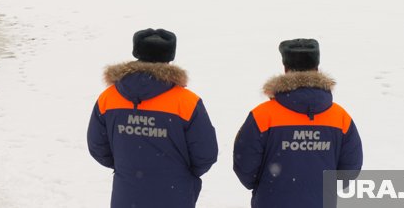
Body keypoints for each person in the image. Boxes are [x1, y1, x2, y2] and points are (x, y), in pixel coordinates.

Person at [87, 28, 218, 208]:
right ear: (170, 57)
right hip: (174, 196)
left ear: (136, 53)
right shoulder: (187, 102)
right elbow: (205, 154)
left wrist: (128, 166)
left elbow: (98, 146)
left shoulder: (109, 98)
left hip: (126, 195)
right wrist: (180, 174)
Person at [233, 38, 363, 208]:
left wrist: (266, 185)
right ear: (316, 68)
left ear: (285, 69)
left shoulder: (262, 115)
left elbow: (245, 165)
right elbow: (350, 168)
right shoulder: (340, 117)